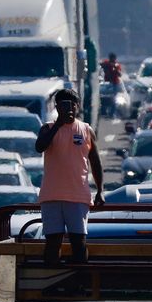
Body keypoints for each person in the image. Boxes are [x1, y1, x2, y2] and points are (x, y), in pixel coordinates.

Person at [35, 89, 104, 265]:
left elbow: (95, 162)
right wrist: (58, 124)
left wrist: (100, 190)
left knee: (79, 243)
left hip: (78, 196)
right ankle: (51, 284)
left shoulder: (86, 130)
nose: (70, 108)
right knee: (52, 243)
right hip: (51, 196)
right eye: (65, 105)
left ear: (78, 106)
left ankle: (77, 285)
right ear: (57, 107)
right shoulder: (48, 128)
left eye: (73, 104)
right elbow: (40, 146)